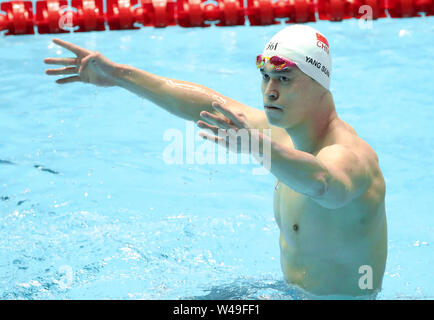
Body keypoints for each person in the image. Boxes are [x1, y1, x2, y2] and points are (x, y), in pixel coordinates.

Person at [43, 24, 387, 297]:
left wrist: (256, 145)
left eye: (284, 78)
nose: (270, 91)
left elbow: (323, 183)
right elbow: (204, 104)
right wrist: (118, 75)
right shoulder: (283, 134)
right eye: (265, 76)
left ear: (320, 85)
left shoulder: (349, 156)